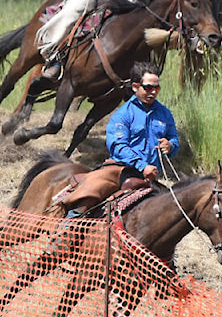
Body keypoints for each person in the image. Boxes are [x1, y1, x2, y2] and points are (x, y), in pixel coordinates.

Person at [60, 61, 180, 218]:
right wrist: (142, 165)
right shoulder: (123, 114)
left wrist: (170, 146)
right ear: (136, 87)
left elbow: (174, 139)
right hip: (119, 171)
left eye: (156, 88)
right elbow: (118, 146)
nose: (153, 92)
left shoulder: (165, 113)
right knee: (86, 199)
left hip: (149, 176)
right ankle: (66, 230)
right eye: (148, 87)